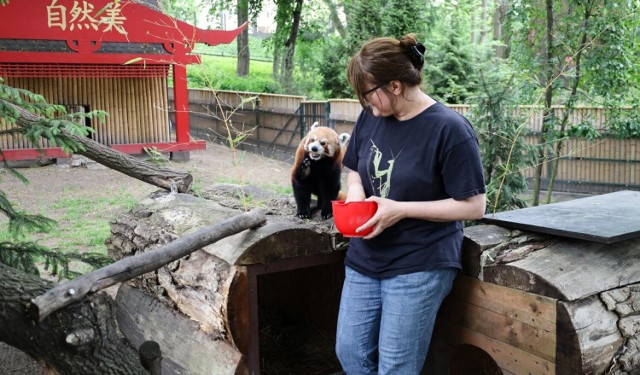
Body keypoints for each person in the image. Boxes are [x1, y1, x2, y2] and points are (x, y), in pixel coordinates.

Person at [334, 34, 487, 375]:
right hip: (364, 258)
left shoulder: (450, 129)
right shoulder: (371, 117)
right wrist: (357, 196)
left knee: (396, 368)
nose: (364, 102)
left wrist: (401, 209)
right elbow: (356, 169)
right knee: (350, 354)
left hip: (420, 262)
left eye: (367, 93)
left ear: (395, 86)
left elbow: (475, 206)